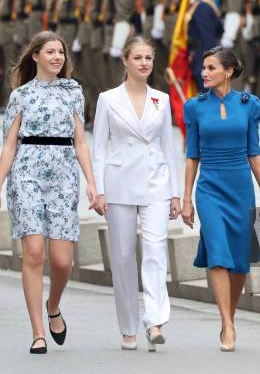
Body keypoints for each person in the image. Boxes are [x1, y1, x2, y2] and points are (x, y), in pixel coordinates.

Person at [0, 31, 97, 354]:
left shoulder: (73, 91)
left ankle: (54, 304)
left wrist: (91, 183)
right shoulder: (21, 95)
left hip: (63, 175)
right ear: (35, 56)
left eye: (60, 52)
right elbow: (9, 146)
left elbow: (79, 141)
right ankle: (37, 332)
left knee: (62, 261)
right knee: (34, 252)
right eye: (50, 52)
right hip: (26, 173)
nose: (57, 57)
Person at [92, 36, 181, 352]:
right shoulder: (108, 99)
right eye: (138, 58)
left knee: (155, 250)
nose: (144, 63)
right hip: (119, 184)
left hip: (156, 182)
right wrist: (98, 190)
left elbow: (169, 148)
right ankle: (128, 326)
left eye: (149, 58)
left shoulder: (161, 99)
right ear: (125, 61)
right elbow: (99, 148)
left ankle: (155, 320)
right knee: (124, 256)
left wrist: (175, 194)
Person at [182, 46, 260, 352]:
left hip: (240, 186)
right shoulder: (194, 106)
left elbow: (254, 150)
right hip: (209, 187)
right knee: (218, 252)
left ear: (228, 71)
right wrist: (187, 199)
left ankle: (227, 318)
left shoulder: (249, 104)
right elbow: (192, 155)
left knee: (240, 262)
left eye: (210, 68)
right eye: (203, 68)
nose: (204, 73)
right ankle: (228, 325)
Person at [184, 0, 223, 91]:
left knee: (206, 95)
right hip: (197, 53)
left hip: (201, 55)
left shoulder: (202, 6)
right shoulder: (196, 3)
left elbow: (208, 37)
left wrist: (208, 66)